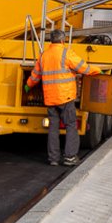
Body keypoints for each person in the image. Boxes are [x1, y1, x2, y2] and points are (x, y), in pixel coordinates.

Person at [26, 29, 98, 166]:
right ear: (63, 40)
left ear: (51, 40)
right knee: (70, 125)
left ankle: (53, 159)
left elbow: (35, 76)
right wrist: (97, 71)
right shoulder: (66, 53)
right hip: (65, 97)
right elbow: (84, 68)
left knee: (53, 128)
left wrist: (27, 85)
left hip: (50, 99)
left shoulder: (44, 56)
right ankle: (70, 157)